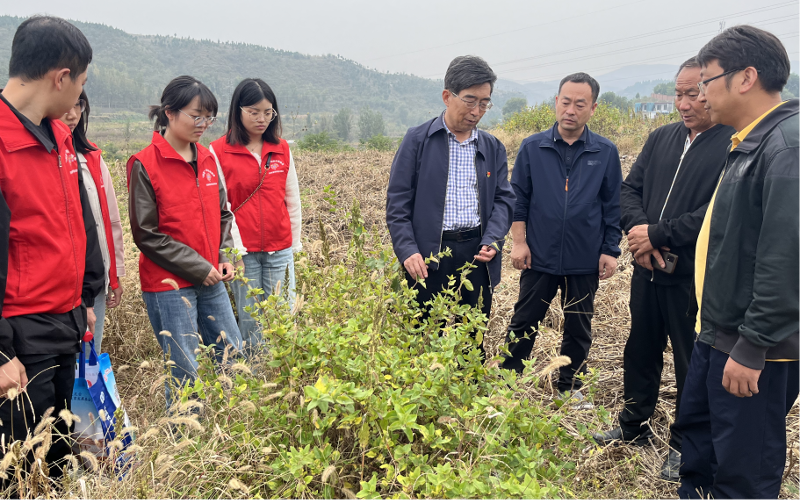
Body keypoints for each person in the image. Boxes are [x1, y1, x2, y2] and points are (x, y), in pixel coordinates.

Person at [590, 58, 735, 481]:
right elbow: (628, 190)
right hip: (647, 267)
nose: (685, 103)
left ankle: (684, 444)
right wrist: (639, 234)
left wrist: (658, 233)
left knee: (691, 361)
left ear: (713, 92)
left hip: (693, 275)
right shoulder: (661, 138)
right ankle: (632, 424)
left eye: (694, 94)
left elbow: (715, 213)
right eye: (678, 93)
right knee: (641, 348)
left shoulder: (730, 145)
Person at [676, 26, 800, 500]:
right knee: (703, 449)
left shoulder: (786, 145)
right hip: (719, 330)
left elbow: (785, 256)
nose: (701, 94)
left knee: (744, 465)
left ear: (746, 77)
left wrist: (754, 346)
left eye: (706, 81)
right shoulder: (748, 141)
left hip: (753, 346)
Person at [0, 16, 105, 480]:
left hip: (66, 323)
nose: (79, 93)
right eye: (80, 81)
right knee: (22, 470)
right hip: (22, 337)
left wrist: (85, 296)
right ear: (61, 78)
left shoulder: (61, 138)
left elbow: (81, 226)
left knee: (61, 460)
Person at [501, 73, 622, 408]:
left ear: (593, 108)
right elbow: (519, 199)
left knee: (579, 326)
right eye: (565, 101)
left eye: (580, 104)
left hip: (585, 258)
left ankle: (570, 387)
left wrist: (610, 250)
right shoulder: (533, 147)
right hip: (539, 254)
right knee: (525, 320)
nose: (571, 110)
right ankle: (509, 381)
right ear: (556, 102)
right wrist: (520, 242)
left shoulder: (605, 152)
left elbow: (613, 207)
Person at [127, 75, 243, 409]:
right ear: (170, 113)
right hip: (169, 285)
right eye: (197, 116)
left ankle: (234, 430)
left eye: (209, 117)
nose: (204, 124)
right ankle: (184, 444)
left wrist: (225, 256)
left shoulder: (207, 159)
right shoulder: (144, 164)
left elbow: (223, 214)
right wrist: (197, 267)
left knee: (232, 353)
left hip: (212, 276)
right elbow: (147, 234)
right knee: (184, 368)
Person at [386, 55, 515, 354]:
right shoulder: (418, 140)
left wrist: (493, 239)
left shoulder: (492, 147)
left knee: (472, 338)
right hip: (429, 255)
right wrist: (408, 250)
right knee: (423, 337)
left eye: (485, 103)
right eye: (470, 100)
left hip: (476, 253)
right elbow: (398, 203)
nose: (476, 111)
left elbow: (503, 199)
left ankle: (470, 394)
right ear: (447, 96)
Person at [210, 78, 301, 349]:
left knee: (283, 317)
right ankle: (256, 381)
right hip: (243, 254)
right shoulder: (218, 151)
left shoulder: (281, 149)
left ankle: (285, 378)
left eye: (268, 112)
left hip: (280, 249)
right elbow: (220, 208)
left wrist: (293, 245)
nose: (262, 119)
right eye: (254, 112)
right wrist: (231, 252)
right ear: (238, 111)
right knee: (251, 322)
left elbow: (292, 200)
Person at [60, 90, 126, 355]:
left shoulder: (93, 159)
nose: (73, 114)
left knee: (89, 358)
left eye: (78, 104)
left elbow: (110, 221)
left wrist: (116, 274)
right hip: (63, 286)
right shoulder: (46, 159)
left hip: (95, 280)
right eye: (66, 104)